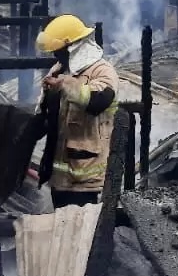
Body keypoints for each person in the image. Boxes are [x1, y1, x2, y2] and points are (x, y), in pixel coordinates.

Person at [36, 13, 119, 207]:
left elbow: (97, 102)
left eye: (59, 51)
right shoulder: (58, 70)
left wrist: (65, 85)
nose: (55, 56)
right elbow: (49, 116)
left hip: (87, 179)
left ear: (73, 46)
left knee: (82, 231)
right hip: (60, 178)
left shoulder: (102, 71)